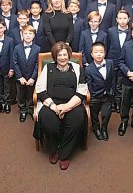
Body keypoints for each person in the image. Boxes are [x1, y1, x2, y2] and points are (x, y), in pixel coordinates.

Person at [35, 42, 88, 170]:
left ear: (69, 55)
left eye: (65, 54)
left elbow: (82, 91)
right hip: (51, 104)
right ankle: (55, 148)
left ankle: (64, 154)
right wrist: (54, 106)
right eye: (59, 55)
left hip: (73, 104)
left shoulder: (77, 68)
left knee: (77, 120)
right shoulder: (48, 68)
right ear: (55, 56)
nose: (62, 58)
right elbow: (40, 89)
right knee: (49, 122)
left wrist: (66, 107)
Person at [85, 42, 114, 141]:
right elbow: (89, 84)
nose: (98, 54)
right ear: (92, 54)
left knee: (107, 113)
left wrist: (112, 90)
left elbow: (112, 78)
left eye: (101, 52)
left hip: (108, 94)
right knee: (94, 115)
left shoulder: (110, 63)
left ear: (105, 53)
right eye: (96, 52)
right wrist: (92, 96)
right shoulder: (88, 69)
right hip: (95, 96)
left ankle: (104, 129)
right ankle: (96, 129)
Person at [12, 25, 40, 122]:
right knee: (21, 94)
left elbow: (38, 64)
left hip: (32, 77)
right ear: (22, 35)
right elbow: (15, 63)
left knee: (31, 94)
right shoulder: (17, 48)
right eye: (25, 33)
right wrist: (20, 77)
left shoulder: (38, 49)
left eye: (30, 33)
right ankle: (23, 110)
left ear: (33, 36)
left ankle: (31, 109)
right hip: (21, 77)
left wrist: (33, 78)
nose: (28, 36)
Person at [106, 9, 131, 113]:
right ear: (116, 19)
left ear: (129, 19)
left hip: (125, 62)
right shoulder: (111, 31)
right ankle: (112, 102)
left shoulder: (132, 31)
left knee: (121, 84)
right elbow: (107, 46)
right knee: (112, 82)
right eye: (120, 18)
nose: (122, 21)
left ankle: (119, 102)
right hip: (112, 60)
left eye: (125, 18)